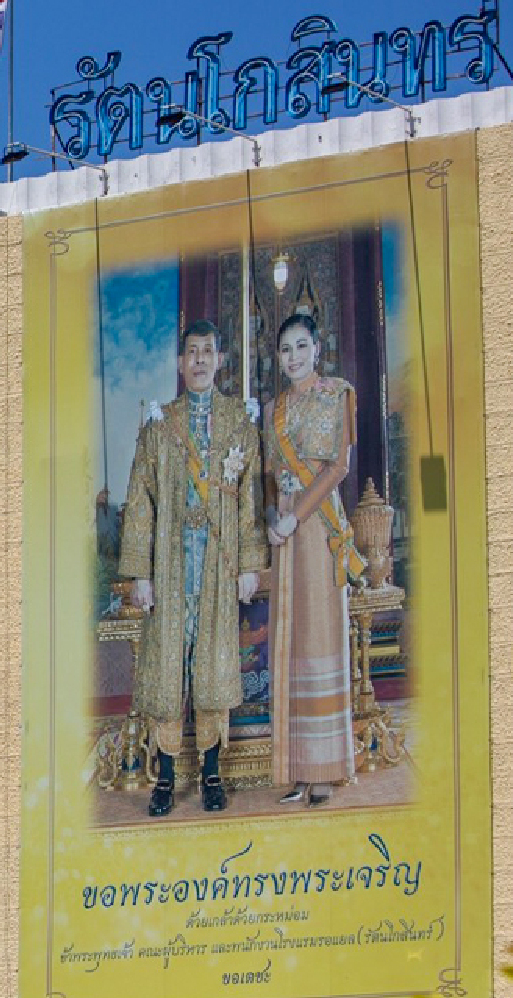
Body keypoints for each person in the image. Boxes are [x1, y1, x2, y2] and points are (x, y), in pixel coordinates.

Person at [119, 320, 268, 817]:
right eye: (192, 353)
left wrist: (249, 565)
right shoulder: (161, 425)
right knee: (167, 669)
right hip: (170, 559)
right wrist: (141, 573)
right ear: (181, 364)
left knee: (211, 667)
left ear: (220, 360)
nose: (200, 360)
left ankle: (210, 772)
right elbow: (140, 499)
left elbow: (250, 498)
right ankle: (163, 778)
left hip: (219, 565)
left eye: (208, 350)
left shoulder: (239, 423)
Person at [264, 311, 363, 806]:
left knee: (321, 640)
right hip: (284, 534)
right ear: (279, 358)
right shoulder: (273, 409)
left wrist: (295, 516)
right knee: (292, 645)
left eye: (302, 346)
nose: (294, 356)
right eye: (286, 349)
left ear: (317, 350)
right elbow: (268, 473)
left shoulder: (338, 394)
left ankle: (325, 768)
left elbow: (338, 467)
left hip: (318, 528)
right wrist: (272, 517)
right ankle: (298, 769)